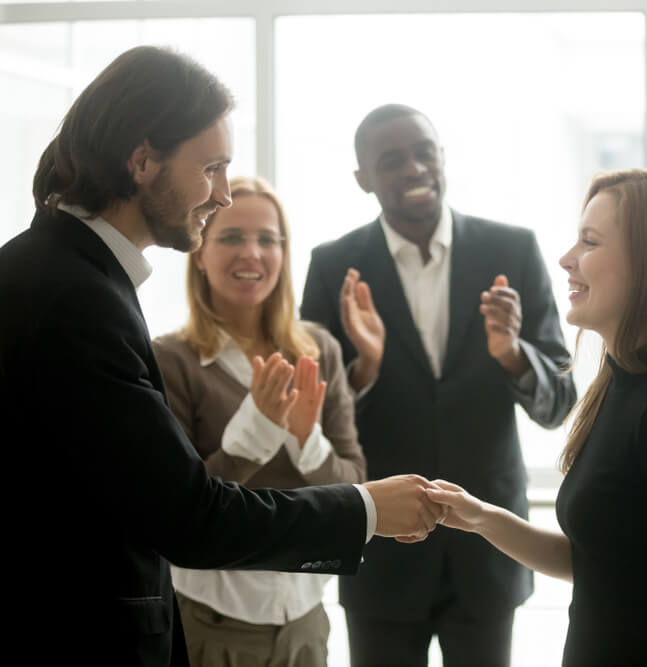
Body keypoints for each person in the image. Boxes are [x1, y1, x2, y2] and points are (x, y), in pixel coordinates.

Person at [0, 46, 442, 667]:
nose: (224, 194)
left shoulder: (68, 275)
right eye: (211, 168)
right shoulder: (74, 298)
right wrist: (366, 508)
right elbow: (187, 515)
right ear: (143, 159)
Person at [424, 169, 647, 666]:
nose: (567, 259)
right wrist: (481, 518)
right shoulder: (621, 385)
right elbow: (594, 563)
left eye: (589, 242)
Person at [300, 104, 577, 667]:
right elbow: (314, 417)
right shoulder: (332, 266)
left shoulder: (513, 250)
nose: (413, 168)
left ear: (443, 157)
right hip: (379, 551)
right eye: (392, 159)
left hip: (488, 549)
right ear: (363, 179)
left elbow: (559, 404)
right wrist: (366, 369)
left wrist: (512, 355)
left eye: (425, 151)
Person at [152, 176, 367, 666]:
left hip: (306, 620)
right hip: (210, 622)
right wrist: (255, 433)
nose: (252, 253)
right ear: (199, 254)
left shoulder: (320, 351)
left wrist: (304, 439)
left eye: (268, 239)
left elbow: (353, 482)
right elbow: (177, 513)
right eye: (231, 237)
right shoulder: (171, 360)